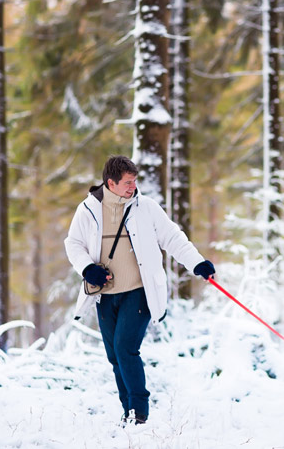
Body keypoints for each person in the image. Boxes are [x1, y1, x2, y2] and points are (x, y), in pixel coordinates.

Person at [64, 155, 215, 425]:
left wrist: (197, 264)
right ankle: (128, 411)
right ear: (110, 183)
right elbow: (73, 244)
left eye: (134, 181)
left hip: (139, 291)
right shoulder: (87, 210)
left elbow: (173, 238)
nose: (133, 186)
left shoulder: (146, 208)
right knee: (114, 355)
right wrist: (88, 268)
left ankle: (139, 410)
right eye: (127, 182)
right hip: (104, 294)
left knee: (125, 348)